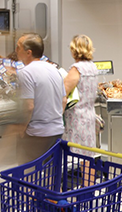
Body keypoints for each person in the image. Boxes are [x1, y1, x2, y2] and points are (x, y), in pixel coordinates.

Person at [13, 33, 66, 164]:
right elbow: (64, 100)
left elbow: (29, 107)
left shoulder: (26, 72)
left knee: (29, 174)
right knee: (51, 174)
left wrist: (21, 129)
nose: (16, 50)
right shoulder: (54, 70)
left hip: (37, 135)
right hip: (56, 132)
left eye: (18, 47)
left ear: (28, 52)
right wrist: (54, 118)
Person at [62, 34, 98, 186]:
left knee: (68, 153)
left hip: (76, 118)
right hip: (90, 116)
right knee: (88, 157)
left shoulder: (76, 69)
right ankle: (88, 190)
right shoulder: (93, 67)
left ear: (74, 50)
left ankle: (64, 188)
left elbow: (63, 92)